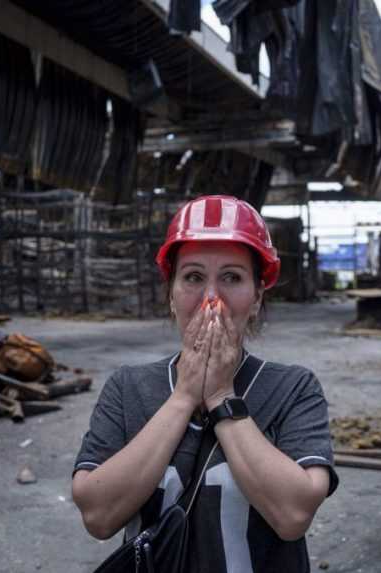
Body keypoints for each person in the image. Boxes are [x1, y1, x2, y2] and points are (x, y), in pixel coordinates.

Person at [72, 195, 339, 572]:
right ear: (171, 294)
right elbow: (98, 516)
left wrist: (220, 395)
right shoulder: (128, 387)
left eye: (232, 277)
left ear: (258, 295)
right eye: (194, 277)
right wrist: (183, 397)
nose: (211, 299)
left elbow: (293, 515)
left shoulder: (293, 388)